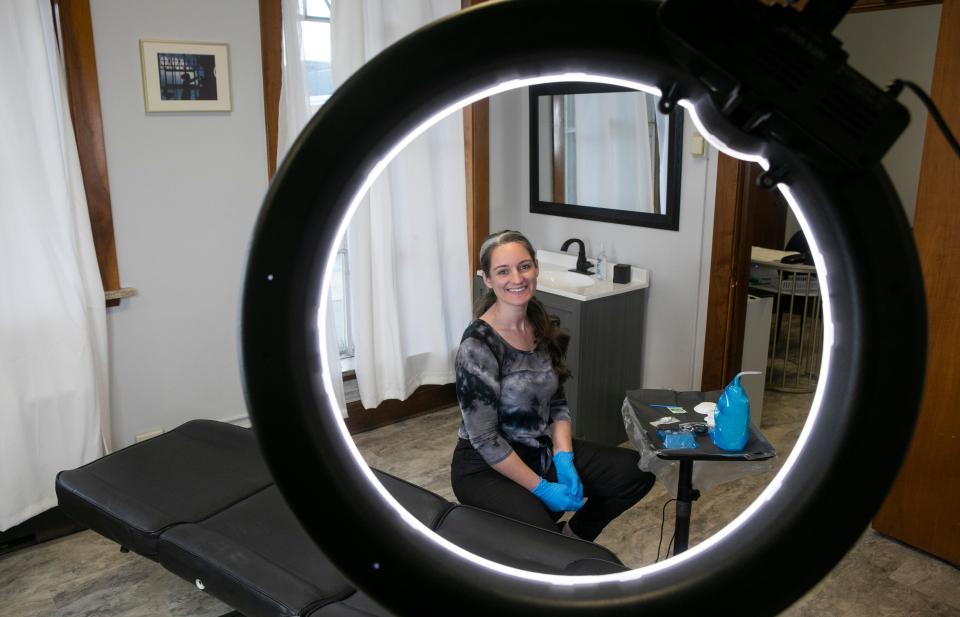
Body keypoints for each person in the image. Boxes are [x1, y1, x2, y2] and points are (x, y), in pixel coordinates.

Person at [450, 230, 655, 542]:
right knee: (542, 536)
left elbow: (557, 400)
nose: (516, 278)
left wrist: (564, 457)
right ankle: (551, 544)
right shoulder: (478, 346)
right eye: (503, 271)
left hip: (538, 448)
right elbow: (485, 438)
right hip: (484, 467)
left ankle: (574, 536)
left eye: (524, 266)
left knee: (634, 472)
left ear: (536, 268)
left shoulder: (539, 320)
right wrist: (541, 488)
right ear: (488, 279)